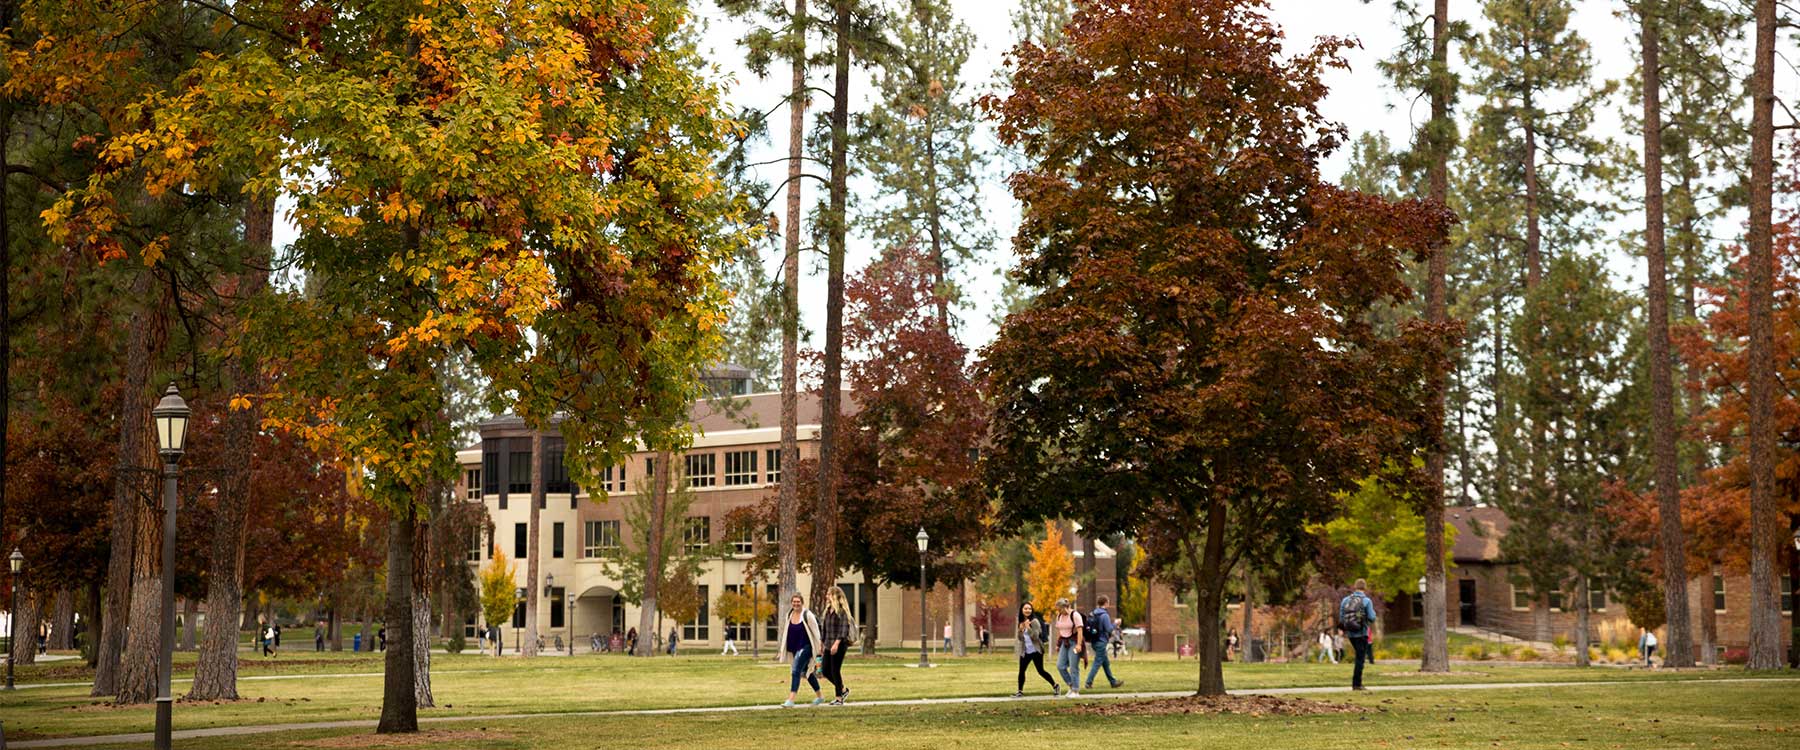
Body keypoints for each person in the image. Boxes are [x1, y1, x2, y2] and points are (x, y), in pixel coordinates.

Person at [776, 593, 826, 708]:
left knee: (795, 670)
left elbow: (816, 631)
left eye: (798, 601)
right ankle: (820, 696)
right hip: (794, 647)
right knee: (807, 673)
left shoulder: (807, 615)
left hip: (806, 646)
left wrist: (819, 647)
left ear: (802, 602)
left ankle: (791, 700)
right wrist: (783, 648)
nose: (796, 604)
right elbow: (786, 632)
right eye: (794, 601)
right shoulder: (789, 614)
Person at [1013, 602, 1061, 698]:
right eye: (1025, 608)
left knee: (1040, 671)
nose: (1027, 610)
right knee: (1021, 671)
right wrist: (1020, 630)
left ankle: (1055, 686)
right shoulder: (1021, 622)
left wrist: (1028, 628)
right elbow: (1020, 638)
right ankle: (1020, 691)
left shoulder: (1035, 621)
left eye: (1029, 609)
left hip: (1036, 651)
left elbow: (1035, 637)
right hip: (1025, 651)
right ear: (1022, 610)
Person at [1337, 579, 1378, 691]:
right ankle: (1356, 684)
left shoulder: (1345, 600)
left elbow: (1341, 617)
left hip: (1350, 633)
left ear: (1354, 587)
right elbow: (1372, 617)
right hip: (1362, 633)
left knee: (1359, 657)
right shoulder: (1366, 601)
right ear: (1365, 588)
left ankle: (1357, 683)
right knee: (1360, 658)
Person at [820, 587, 855, 705]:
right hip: (828, 645)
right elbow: (824, 629)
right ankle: (843, 690)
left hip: (839, 645)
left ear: (834, 596)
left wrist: (836, 644)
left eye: (828, 594)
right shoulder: (827, 610)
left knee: (835, 670)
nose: (826, 596)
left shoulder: (842, 611)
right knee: (825, 670)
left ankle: (839, 698)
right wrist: (822, 644)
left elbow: (843, 630)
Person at [1084, 595, 1124, 690]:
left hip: (1094, 641)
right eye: (1108, 602)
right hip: (1101, 642)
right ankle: (1088, 682)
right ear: (1106, 603)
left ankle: (1113, 682)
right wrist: (1116, 623)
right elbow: (1109, 629)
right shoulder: (1104, 615)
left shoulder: (1093, 613)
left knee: (1105, 663)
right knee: (1097, 663)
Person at [1052, 598, 1085, 697]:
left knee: (1073, 667)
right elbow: (1060, 632)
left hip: (1074, 642)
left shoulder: (1075, 615)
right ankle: (1071, 685)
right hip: (1064, 643)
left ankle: (1075, 691)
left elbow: (1080, 631)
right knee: (1060, 666)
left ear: (1065, 607)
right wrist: (1058, 644)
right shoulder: (1059, 616)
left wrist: (1079, 645)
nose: (1058, 611)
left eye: (1060, 609)